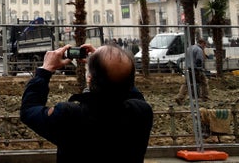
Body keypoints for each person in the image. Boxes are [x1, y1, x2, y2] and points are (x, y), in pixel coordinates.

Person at [20, 43, 153, 163]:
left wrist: (46, 69)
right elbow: (126, 85)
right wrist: (110, 63)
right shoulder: (141, 113)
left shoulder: (69, 116)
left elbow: (29, 110)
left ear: (89, 78)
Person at [176, 37, 209, 104]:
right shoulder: (199, 49)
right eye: (204, 45)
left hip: (188, 69)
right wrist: (200, 69)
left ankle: (180, 97)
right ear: (202, 43)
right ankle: (204, 97)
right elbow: (199, 60)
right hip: (196, 69)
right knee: (204, 82)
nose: (204, 47)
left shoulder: (189, 48)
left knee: (186, 84)